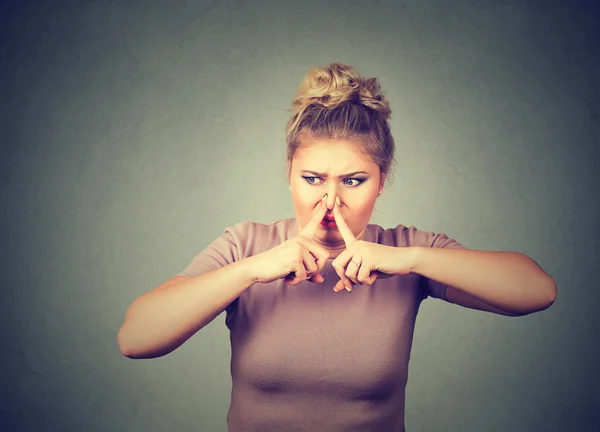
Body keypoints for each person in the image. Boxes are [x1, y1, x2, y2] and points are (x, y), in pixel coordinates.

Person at [117, 63, 557, 431]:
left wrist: (408, 260)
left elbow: (537, 291)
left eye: (353, 181)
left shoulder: (406, 252)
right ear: (289, 173)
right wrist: (251, 270)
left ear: (381, 182)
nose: (330, 201)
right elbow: (135, 338)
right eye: (312, 179)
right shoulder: (246, 245)